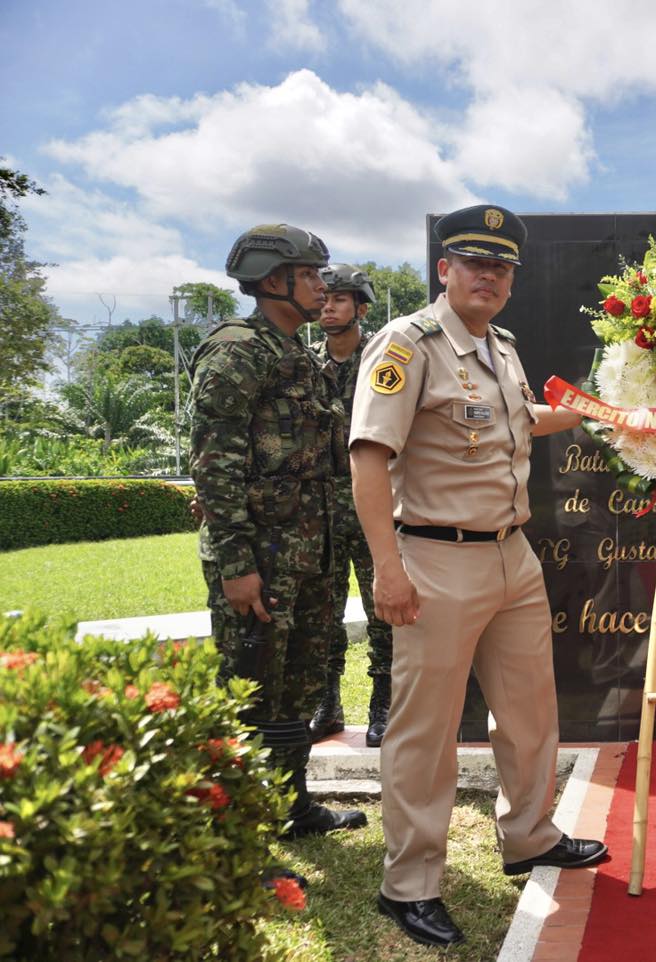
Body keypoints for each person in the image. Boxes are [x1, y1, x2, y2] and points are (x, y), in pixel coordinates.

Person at [349, 204, 606, 949]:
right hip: (433, 560)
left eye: (501, 266)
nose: (488, 275)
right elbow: (369, 458)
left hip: (511, 555)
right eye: (474, 262)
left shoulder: (500, 345)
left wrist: (601, 411)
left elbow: (523, 417)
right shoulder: (407, 343)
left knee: (529, 711)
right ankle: (409, 884)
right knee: (424, 732)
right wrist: (387, 570)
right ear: (445, 269)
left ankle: (528, 836)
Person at [191, 224, 366, 850]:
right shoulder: (239, 351)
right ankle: (240, 837)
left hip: (308, 555)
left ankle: (290, 808)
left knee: (295, 689)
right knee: (249, 696)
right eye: (312, 274)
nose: (324, 285)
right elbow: (214, 465)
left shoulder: (299, 354)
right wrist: (236, 565)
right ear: (274, 280)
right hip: (259, 562)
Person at [307, 263, 394, 748]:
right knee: (324, 611)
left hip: (372, 506)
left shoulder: (381, 358)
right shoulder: (304, 360)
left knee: (382, 610)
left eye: (339, 300)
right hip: (319, 510)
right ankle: (329, 702)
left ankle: (383, 702)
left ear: (360, 308)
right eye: (324, 299)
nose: (327, 307)